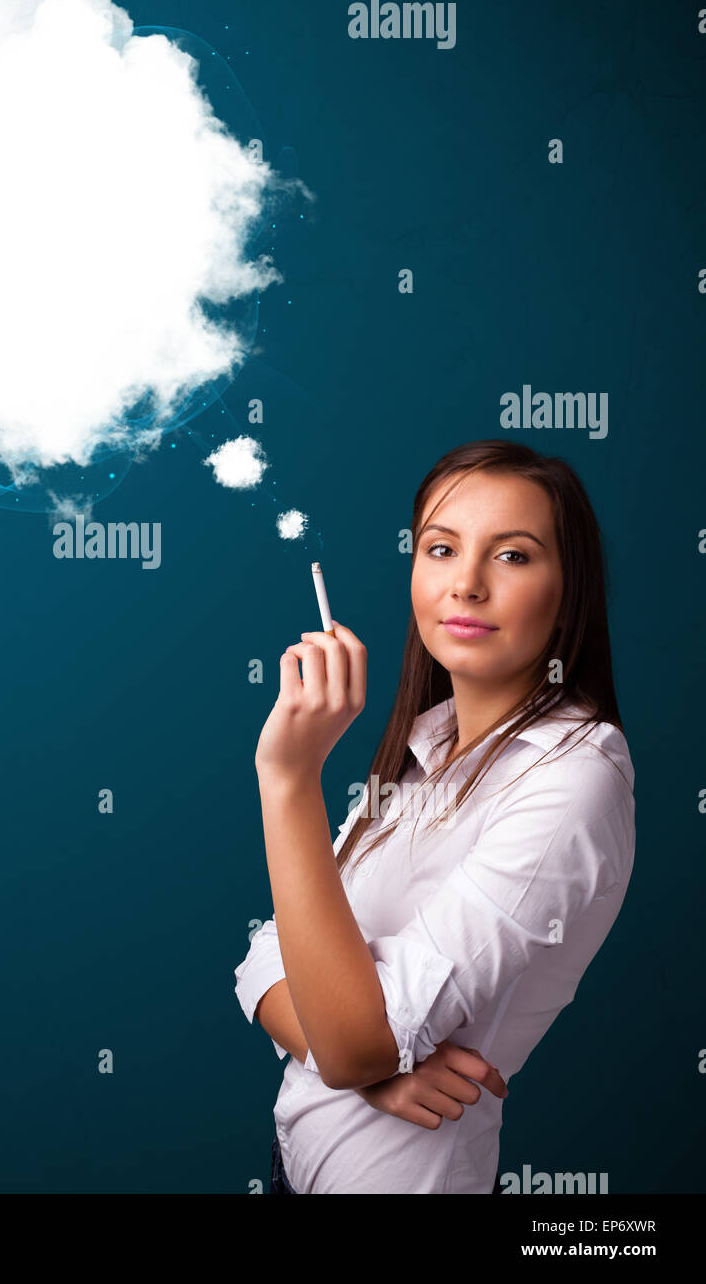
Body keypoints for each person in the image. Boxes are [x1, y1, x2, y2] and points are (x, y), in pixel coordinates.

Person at [235, 439, 635, 1194]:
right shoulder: (430, 746)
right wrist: (366, 1071)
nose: (467, 586)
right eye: (442, 549)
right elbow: (264, 958)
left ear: (569, 587)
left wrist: (288, 779)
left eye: (513, 557)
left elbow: (358, 1038)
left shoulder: (574, 777)